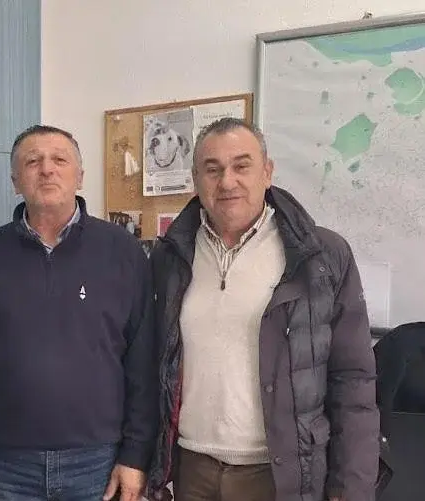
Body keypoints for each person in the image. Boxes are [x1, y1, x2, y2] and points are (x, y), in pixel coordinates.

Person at [147, 118, 379, 501]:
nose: (227, 182)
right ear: (195, 179)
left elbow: (353, 379)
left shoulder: (321, 256)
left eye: (242, 166)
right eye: (212, 169)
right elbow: (155, 368)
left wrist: (351, 485)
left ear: (267, 172)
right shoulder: (170, 257)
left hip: (280, 475)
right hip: (191, 471)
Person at [0, 124, 157, 501]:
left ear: (80, 177)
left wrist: (135, 456)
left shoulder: (123, 251)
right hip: (4, 463)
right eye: (33, 162)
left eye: (59, 160)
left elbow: (142, 363)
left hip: (98, 463)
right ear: (15, 181)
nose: (47, 169)